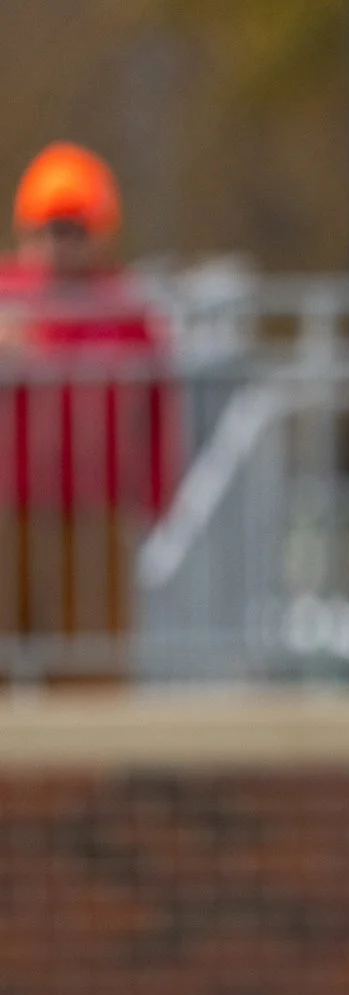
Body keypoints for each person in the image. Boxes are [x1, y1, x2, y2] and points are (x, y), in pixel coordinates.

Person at [0, 141, 176, 663]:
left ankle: (87, 749)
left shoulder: (126, 309)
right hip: (8, 510)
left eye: (74, 229)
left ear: (101, 234)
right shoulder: (7, 296)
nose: (59, 244)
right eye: (48, 229)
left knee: (91, 662)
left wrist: (156, 496)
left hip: (96, 511)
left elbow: (157, 414)